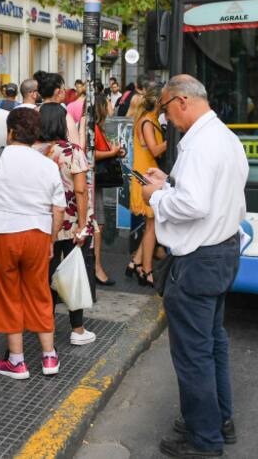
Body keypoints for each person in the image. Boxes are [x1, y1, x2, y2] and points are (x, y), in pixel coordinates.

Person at [140, 75, 246, 458]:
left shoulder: (201, 145)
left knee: (193, 353)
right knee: (213, 343)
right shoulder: (224, 138)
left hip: (199, 258)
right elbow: (208, 194)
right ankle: (220, 419)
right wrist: (170, 183)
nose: (166, 118)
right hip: (222, 251)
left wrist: (156, 197)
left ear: (182, 101)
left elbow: (194, 205)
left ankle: (204, 439)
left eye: (166, 109)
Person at [0, 108, 65, 380]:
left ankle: (16, 361)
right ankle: (49, 357)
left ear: (11, 131)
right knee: (39, 293)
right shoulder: (48, 165)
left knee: (7, 294)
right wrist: (50, 239)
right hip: (38, 233)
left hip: (1, 233)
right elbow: (59, 210)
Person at [33, 105, 97, 346]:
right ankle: (77, 329)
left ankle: (45, 324)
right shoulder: (73, 152)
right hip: (71, 222)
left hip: (44, 222)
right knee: (74, 274)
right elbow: (80, 190)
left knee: (46, 275)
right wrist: (83, 226)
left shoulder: (34, 151)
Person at [129, 87, 167, 286]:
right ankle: (146, 270)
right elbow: (155, 150)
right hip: (147, 177)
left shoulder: (146, 120)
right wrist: (173, 140)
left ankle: (135, 262)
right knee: (152, 226)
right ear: (159, 103)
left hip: (147, 175)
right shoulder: (147, 122)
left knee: (150, 225)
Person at [92, 84, 126, 286]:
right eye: (109, 103)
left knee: (99, 223)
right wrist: (113, 153)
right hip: (95, 181)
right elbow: (92, 153)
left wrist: (114, 151)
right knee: (98, 223)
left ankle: (96, 266)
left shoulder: (98, 127)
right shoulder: (95, 128)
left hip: (97, 181)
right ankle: (96, 267)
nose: (112, 105)